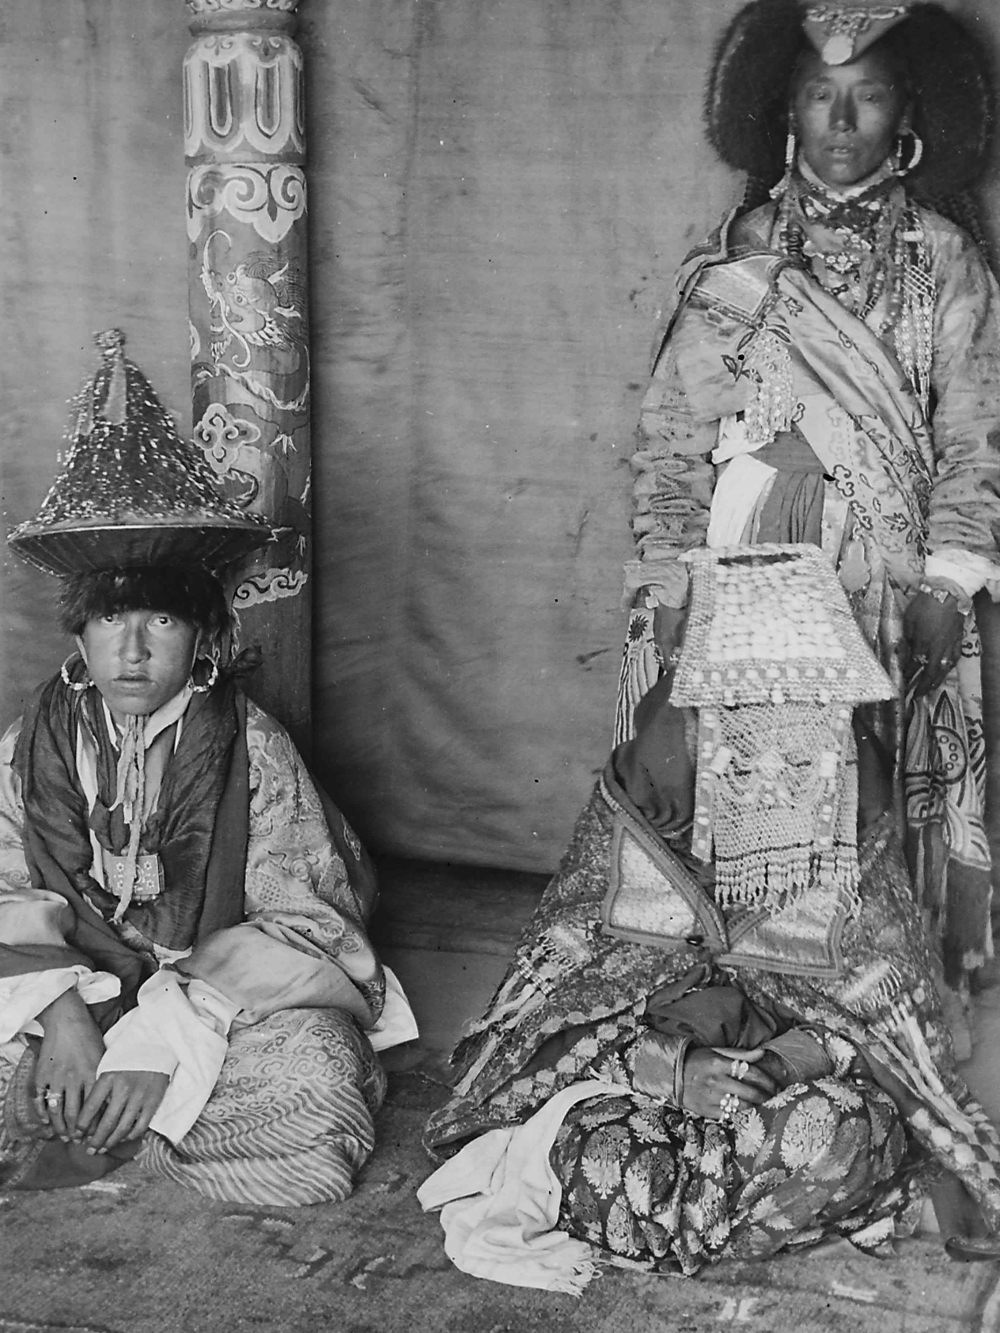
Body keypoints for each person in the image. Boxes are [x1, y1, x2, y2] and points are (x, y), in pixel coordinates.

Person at [419, 0, 1000, 1287]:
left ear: (909, 116)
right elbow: (673, 461)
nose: (837, 125)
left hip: (887, 599)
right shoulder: (730, 272)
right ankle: (710, 1043)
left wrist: (943, 593)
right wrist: (672, 642)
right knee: (711, 841)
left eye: (863, 99)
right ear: (776, 111)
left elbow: (974, 445)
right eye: (813, 97)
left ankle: (878, 1070)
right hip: (739, 601)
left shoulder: (949, 267)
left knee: (868, 854)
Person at [0, 329, 415, 1205]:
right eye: (111, 623)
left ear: (205, 637)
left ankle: (136, 1102)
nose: (135, 650)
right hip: (65, 982)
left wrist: (161, 1042)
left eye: (162, 622)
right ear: (78, 633)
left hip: (211, 994)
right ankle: (102, 1094)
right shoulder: (30, 742)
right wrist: (62, 1012)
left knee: (316, 1083)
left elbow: (306, 918)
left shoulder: (249, 741)